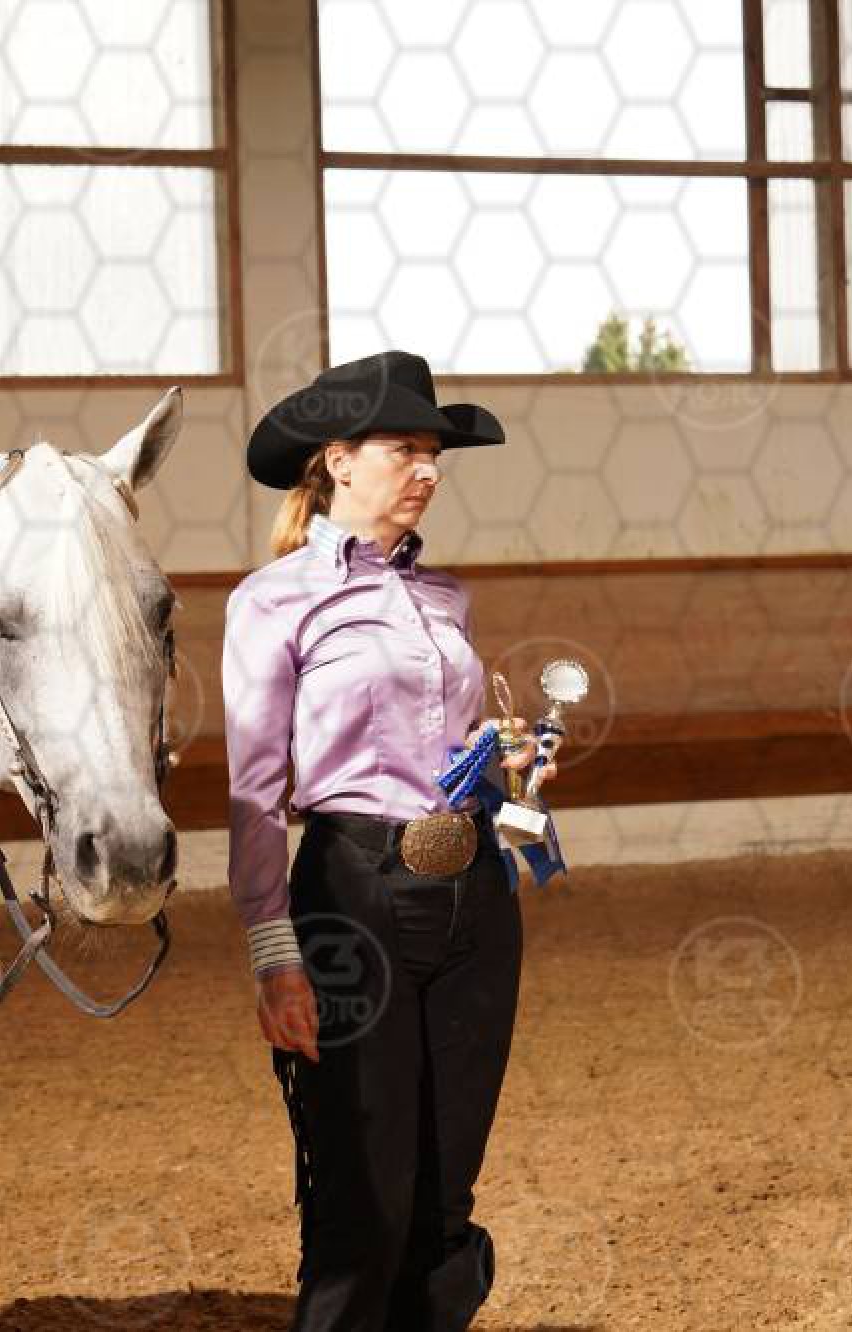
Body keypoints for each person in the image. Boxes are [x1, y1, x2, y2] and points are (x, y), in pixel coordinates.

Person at [223, 350, 559, 1331]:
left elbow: (452, 760)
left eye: (434, 453)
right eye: (405, 449)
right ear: (337, 460)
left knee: (443, 1202)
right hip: (352, 895)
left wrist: (510, 775)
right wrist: (273, 953)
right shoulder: (271, 600)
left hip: (475, 901)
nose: (428, 470)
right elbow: (252, 793)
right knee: (360, 1204)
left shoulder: (444, 599)